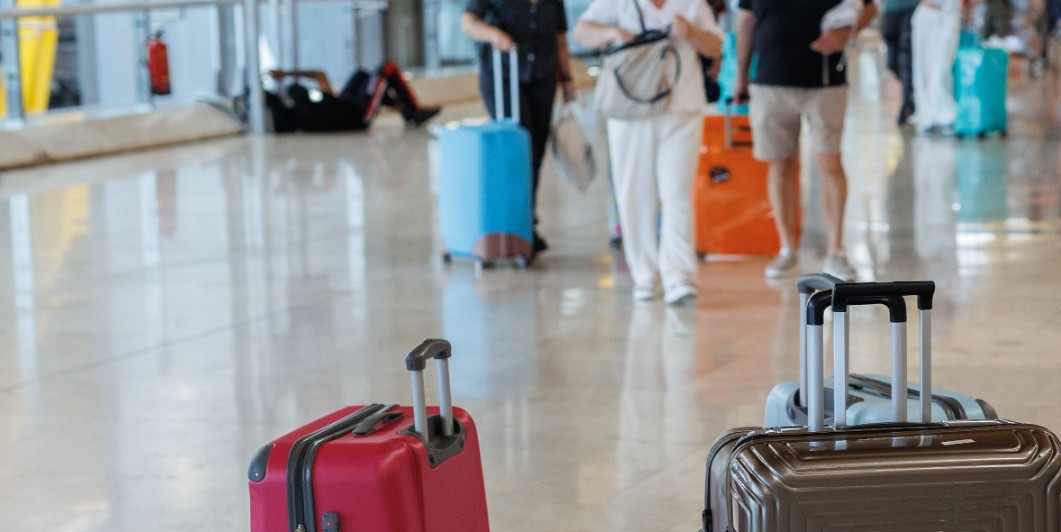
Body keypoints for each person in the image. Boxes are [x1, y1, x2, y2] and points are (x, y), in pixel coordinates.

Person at [574, 0, 722, 305]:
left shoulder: (692, 3)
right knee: (634, 194)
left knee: (677, 193)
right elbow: (582, 31)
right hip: (630, 110)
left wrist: (691, 32)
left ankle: (679, 277)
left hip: (681, 107)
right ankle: (645, 275)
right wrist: (613, 32)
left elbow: (715, 46)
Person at [733, 0, 878, 280]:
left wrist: (847, 33)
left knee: (829, 162)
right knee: (781, 165)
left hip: (825, 81)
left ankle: (835, 251)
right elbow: (746, 22)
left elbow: (869, 8)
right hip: (770, 79)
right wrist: (741, 75)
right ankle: (787, 248)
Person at [462, 0, 578, 255]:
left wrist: (567, 78)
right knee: (516, 150)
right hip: (502, 75)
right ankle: (508, 226)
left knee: (535, 152)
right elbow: (468, 22)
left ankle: (526, 224)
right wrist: (494, 35)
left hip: (542, 76)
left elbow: (559, 37)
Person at [265, 64, 440, 133]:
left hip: (347, 107)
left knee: (361, 74)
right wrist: (285, 73)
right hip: (359, 114)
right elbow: (319, 74)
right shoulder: (321, 103)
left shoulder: (308, 122)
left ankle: (405, 109)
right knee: (388, 67)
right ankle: (412, 110)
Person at [910, 0, 966, 136]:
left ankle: (946, 116)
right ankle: (927, 117)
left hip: (949, 16)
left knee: (942, 68)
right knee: (923, 70)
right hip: (926, 13)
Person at [880, 0, 919, 126]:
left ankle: (906, 103)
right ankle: (908, 96)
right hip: (890, 10)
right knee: (891, 62)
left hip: (910, 8)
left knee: (905, 56)